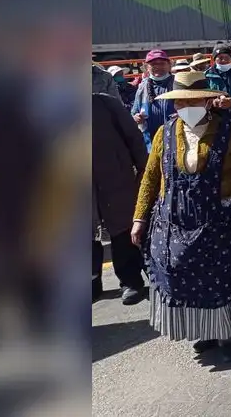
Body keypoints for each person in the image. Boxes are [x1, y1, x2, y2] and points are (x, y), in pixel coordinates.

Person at [131, 71, 231, 361]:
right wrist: (139, 218)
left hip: (222, 219)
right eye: (180, 103)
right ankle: (205, 331)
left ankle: (227, 333)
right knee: (186, 277)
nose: (186, 108)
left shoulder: (229, 131)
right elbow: (150, 177)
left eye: (194, 100)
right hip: (175, 220)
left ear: (207, 100)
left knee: (222, 276)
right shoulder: (165, 133)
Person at [92, 92, 148, 305]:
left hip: (115, 179)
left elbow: (133, 137)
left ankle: (131, 282)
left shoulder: (106, 104)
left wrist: (144, 169)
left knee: (122, 230)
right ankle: (91, 285)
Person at [131, 49, 176, 152]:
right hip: (150, 144)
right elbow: (134, 112)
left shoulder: (178, 84)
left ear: (169, 65)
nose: (158, 67)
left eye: (162, 63)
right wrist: (136, 117)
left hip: (175, 140)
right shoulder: (142, 87)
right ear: (147, 67)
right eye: (153, 64)